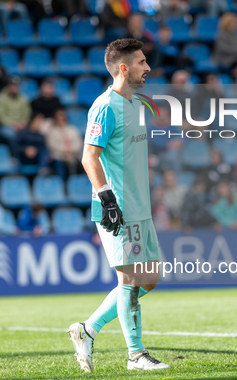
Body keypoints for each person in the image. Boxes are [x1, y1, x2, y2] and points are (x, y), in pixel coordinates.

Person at [68, 38, 171, 372]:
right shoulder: (104, 106)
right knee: (129, 281)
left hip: (140, 206)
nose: (148, 67)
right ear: (124, 67)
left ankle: (88, 329)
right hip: (118, 207)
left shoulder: (137, 104)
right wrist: (106, 198)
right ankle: (136, 355)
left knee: (149, 279)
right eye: (141, 61)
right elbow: (89, 156)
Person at [45, 109, 82, 180]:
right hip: (59, 156)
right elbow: (53, 145)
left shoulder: (73, 130)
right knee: (59, 164)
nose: (61, 121)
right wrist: (65, 150)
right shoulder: (52, 132)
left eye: (63, 119)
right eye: (59, 119)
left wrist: (71, 150)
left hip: (73, 155)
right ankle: (63, 184)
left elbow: (78, 143)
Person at [0, 76, 31, 140]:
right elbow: (1, 117)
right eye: (12, 85)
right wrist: (13, 124)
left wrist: (23, 122)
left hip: (21, 125)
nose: (14, 88)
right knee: (12, 135)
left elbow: (26, 114)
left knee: (29, 134)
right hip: (7, 125)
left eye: (16, 86)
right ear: (8, 87)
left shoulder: (23, 98)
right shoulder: (2, 98)